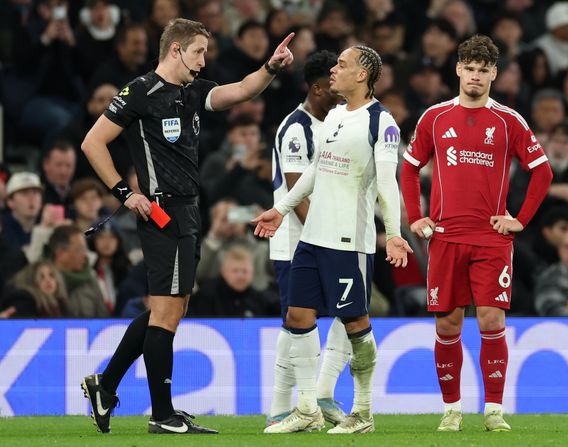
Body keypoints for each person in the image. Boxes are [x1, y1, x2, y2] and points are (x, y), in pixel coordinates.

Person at [79, 17, 295, 435]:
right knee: (166, 314)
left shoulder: (192, 91)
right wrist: (125, 193)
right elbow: (93, 142)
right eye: (198, 52)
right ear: (175, 49)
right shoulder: (140, 92)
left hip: (189, 212)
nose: (203, 61)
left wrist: (270, 67)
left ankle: (105, 386)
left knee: (172, 309)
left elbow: (241, 90)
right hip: (163, 215)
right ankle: (162, 415)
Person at [253, 45, 412, 434]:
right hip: (312, 237)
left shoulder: (382, 122)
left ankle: (363, 412)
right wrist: (282, 209)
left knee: (355, 321)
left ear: (362, 75)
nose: (334, 71)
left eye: (342, 65)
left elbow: (387, 183)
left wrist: (394, 234)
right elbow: (314, 171)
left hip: (347, 240)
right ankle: (307, 408)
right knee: (298, 315)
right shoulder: (336, 115)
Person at [399, 35, 553, 432]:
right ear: (458, 69)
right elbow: (410, 167)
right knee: (447, 325)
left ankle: (494, 410)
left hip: (490, 238)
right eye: (469, 68)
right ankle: (451, 410)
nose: (475, 76)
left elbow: (543, 171)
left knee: (491, 319)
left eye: (483, 70)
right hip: (446, 237)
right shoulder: (435, 117)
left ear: (494, 74)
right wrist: (415, 217)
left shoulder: (508, 120)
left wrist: (520, 219)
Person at [265, 50, 352, 428]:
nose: (340, 90)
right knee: (297, 320)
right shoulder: (296, 129)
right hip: (297, 240)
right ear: (317, 88)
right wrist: (325, 237)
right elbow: (297, 193)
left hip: (333, 235)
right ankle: (284, 407)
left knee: (352, 311)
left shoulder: (337, 122)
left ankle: (320, 395)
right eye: (333, 85)